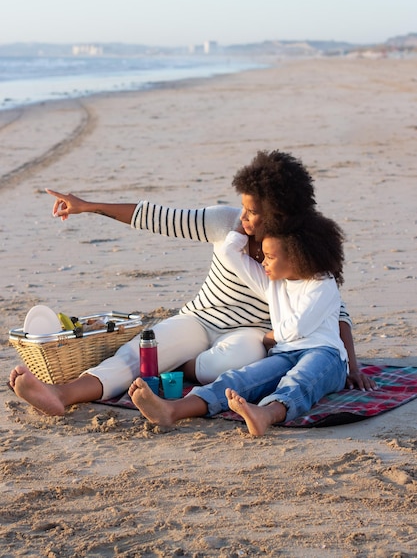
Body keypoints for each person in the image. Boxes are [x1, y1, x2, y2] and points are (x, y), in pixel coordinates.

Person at [9, 150, 374, 417]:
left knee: (233, 362)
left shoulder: (301, 249)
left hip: (252, 335)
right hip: (200, 320)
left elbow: (332, 307)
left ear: (280, 213)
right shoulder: (223, 223)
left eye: (253, 212)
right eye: (243, 208)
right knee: (140, 353)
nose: (243, 218)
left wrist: (351, 365)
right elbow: (157, 217)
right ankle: (62, 394)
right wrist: (87, 206)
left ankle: (180, 374)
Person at [128, 211, 349, 436]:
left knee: (300, 380)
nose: (263, 262)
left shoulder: (322, 283)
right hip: (284, 354)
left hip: (326, 354)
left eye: (270, 257)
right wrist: (244, 225)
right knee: (240, 379)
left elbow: (298, 328)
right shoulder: (272, 281)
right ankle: (173, 410)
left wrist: (269, 337)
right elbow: (228, 253)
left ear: (295, 257)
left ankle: (266, 414)